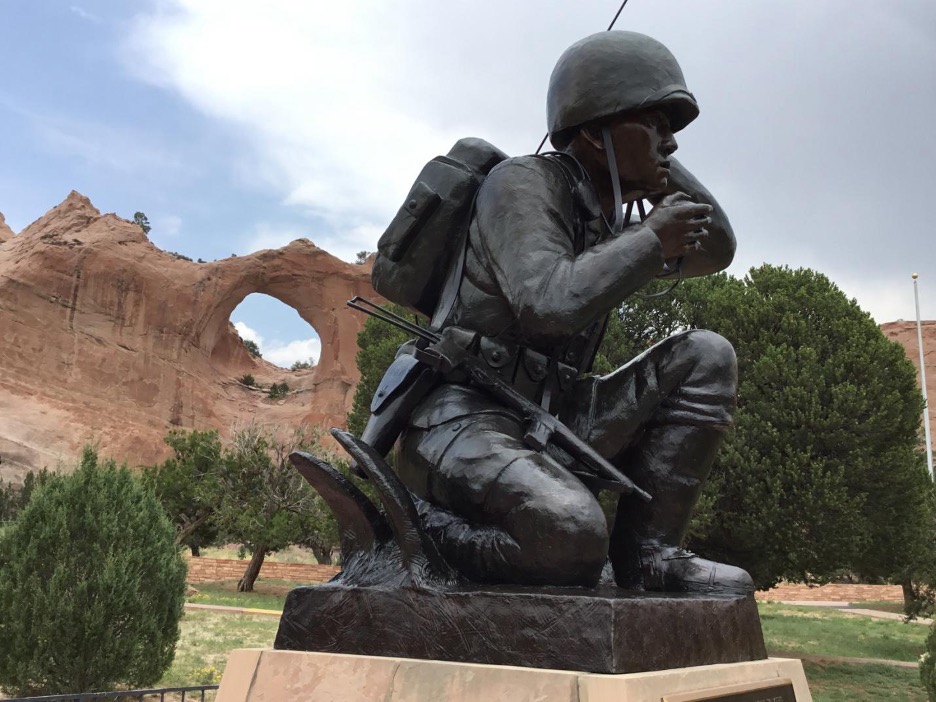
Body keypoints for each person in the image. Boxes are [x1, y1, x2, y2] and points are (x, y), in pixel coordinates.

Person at [391, 30, 752, 593]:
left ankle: (649, 556)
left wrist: (643, 169)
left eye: (670, 130)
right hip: (459, 416)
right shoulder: (523, 182)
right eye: (655, 124)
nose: (671, 145)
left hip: (555, 415)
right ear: (593, 125)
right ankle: (420, 532)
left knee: (706, 355)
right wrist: (650, 232)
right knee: (571, 536)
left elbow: (717, 247)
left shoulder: (609, 218)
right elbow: (548, 305)